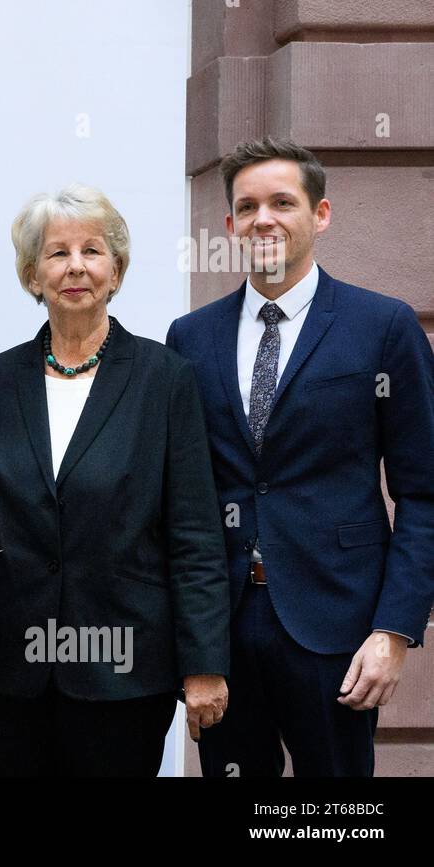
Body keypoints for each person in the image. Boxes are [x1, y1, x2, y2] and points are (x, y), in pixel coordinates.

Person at [0, 184, 230, 776]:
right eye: (57, 253)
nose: (75, 265)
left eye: (93, 250)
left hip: (124, 674)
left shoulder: (166, 380)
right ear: (33, 275)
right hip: (1, 668)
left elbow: (196, 535)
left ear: (117, 269)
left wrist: (204, 661)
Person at [166, 137, 434, 777]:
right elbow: (180, 498)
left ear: (320, 214)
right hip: (223, 630)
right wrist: (186, 637)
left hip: (337, 627)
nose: (264, 219)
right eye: (247, 206)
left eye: (283, 202)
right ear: (229, 225)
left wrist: (394, 630)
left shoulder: (384, 326)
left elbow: (424, 494)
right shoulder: (190, 337)